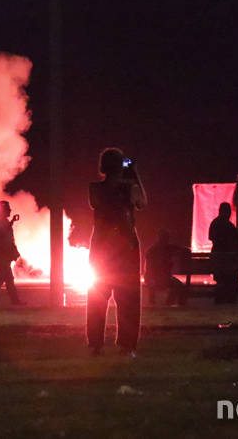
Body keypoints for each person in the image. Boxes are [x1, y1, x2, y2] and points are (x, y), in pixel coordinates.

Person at [87, 148, 147, 356]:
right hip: (126, 246)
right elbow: (142, 202)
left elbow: (95, 203)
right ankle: (127, 344)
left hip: (101, 246)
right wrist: (134, 174)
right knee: (129, 298)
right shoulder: (129, 188)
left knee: (97, 296)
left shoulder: (95, 188)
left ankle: (95, 343)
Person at [0, 200, 24, 306]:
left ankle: (14, 301)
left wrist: (11, 222)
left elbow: (6, 234)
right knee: (0, 278)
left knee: (8, 279)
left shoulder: (2, 222)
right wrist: (12, 254)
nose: (10, 210)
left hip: (2, 254)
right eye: (8, 209)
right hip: (0, 255)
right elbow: (2, 238)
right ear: (2, 210)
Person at [144, 229, 189, 306]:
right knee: (178, 285)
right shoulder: (166, 248)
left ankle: (166, 303)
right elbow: (185, 250)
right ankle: (170, 303)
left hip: (157, 277)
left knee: (177, 285)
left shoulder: (152, 250)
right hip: (159, 277)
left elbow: (148, 268)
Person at [209, 202, 238, 304]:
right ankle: (231, 299)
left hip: (218, 258)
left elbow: (211, 237)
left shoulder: (215, 223)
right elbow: (237, 243)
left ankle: (220, 299)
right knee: (232, 277)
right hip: (228, 259)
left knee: (221, 279)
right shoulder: (230, 226)